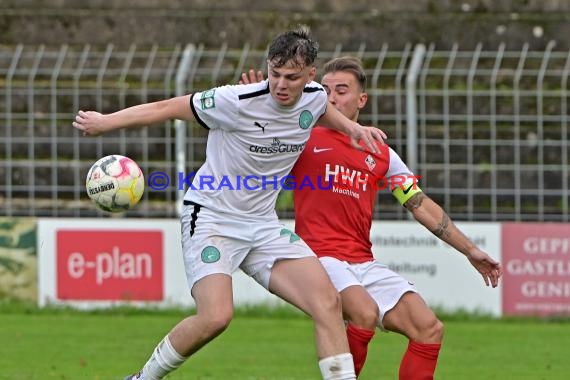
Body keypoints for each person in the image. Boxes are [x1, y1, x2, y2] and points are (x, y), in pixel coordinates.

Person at [72, 28, 386, 380]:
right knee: (215, 317)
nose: (281, 84)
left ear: (310, 75)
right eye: (275, 74)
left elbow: (321, 109)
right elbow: (165, 107)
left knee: (328, 303)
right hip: (212, 218)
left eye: (292, 77)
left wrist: (352, 129)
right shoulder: (234, 100)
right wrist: (105, 122)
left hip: (263, 224)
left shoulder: (314, 97)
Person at [241, 56, 502, 379]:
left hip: (362, 262)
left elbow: (419, 204)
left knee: (428, 328)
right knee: (363, 313)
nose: (331, 97)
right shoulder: (302, 136)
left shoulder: (380, 152)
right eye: (325, 90)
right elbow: (257, 146)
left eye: (341, 90)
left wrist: (470, 250)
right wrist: (254, 110)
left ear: (361, 99)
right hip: (319, 258)